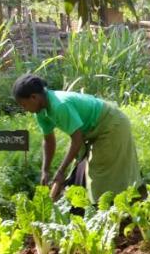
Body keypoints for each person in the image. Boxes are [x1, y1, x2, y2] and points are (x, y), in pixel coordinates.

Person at [12, 74, 141, 203]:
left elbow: (77, 139)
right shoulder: (40, 112)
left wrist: (60, 171)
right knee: (79, 172)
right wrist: (45, 170)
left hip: (112, 126)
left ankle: (114, 211)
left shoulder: (59, 105)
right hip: (92, 131)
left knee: (100, 175)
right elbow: (48, 140)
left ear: (34, 97)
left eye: (24, 105)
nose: (25, 109)